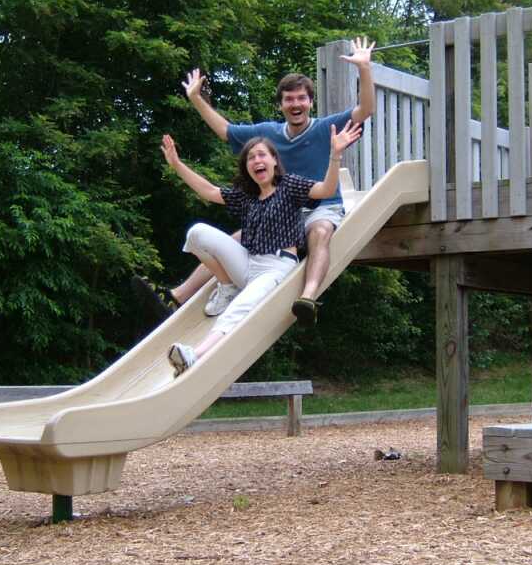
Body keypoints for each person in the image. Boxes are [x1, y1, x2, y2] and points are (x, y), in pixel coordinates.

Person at [135, 37, 375, 327]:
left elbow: (364, 111)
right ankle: (177, 297)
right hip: (284, 206)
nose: (295, 104)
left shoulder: (326, 127)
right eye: (289, 99)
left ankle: (308, 298)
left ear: (310, 102)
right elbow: (225, 131)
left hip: (320, 204)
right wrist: (197, 100)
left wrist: (364, 69)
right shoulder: (268, 134)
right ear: (281, 104)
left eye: (301, 98)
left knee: (320, 230)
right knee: (235, 239)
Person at [162, 121, 362, 376]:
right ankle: (227, 285)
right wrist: (178, 165)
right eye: (250, 158)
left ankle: (195, 355)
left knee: (239, 309)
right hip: (248, 263)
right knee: (198, 233)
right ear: (247, 168)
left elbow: (324, 189)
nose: (256, 160)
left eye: (261, 155)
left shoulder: (289, 186)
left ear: (274, 161)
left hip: (276, 267)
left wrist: (334, 156)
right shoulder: (246, 196)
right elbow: (209, 191)